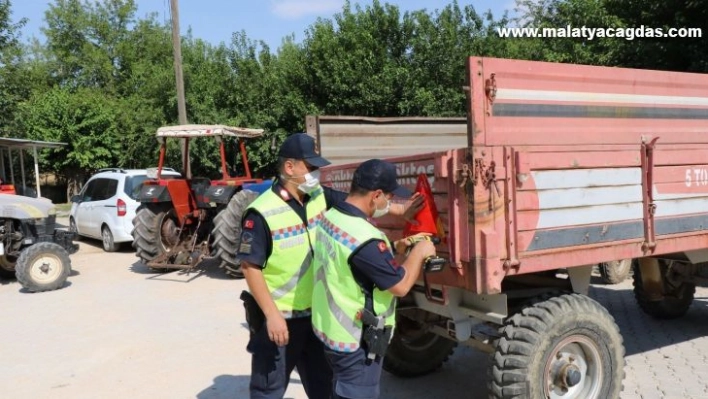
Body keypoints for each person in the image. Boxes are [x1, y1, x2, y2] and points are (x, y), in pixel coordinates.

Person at [236, 134, 422, 399]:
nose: (316, 174)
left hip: (315, 316)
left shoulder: (318, 196)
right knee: (269, 390)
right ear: (290, 168)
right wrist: (272, 315)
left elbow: (354, 201)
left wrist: (400, 212)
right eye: (310, 168)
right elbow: (249, 267)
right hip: (281, 318)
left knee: (322, 387)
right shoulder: (261, 212)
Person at [311, 158, 437, 399]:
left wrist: (394, 249)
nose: (389, 203)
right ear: (376, 195)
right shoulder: (365, 238)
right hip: (355, 342)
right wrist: (419, 253)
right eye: (388, 197)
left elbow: (356, 264)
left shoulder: (332, 217)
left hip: (331, 331)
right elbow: (399, 286)